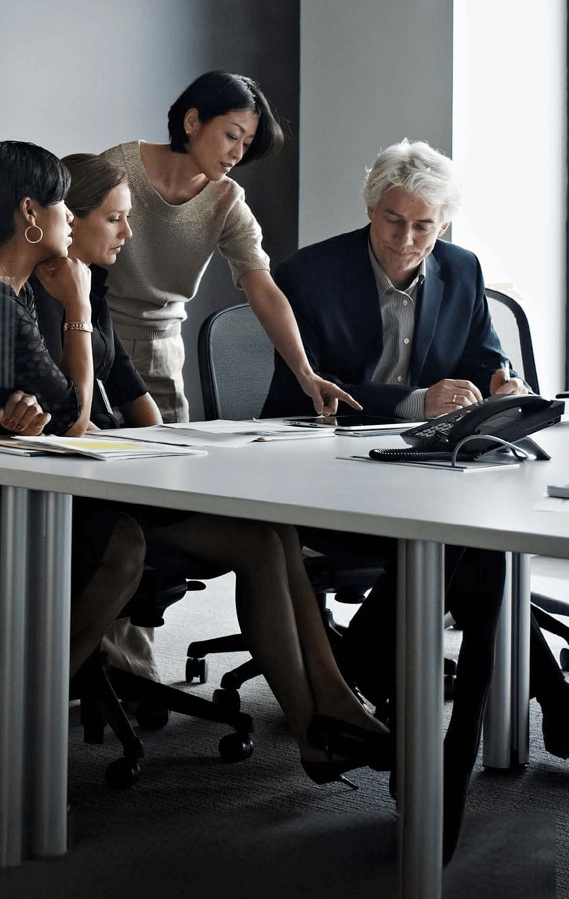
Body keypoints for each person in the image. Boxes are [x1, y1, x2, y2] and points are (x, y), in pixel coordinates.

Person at [262, 138, 569, 857]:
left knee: (475, 551)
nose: (407, 239)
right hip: (330, 472)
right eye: (393, 221)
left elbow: (486, 356)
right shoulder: (310, 273)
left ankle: (405, 701)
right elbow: (293, 399)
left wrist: (503, 386)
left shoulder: (461, 269)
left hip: (430, 471)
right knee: (478, 556)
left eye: (424, 225)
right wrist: (410, 399)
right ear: (371, 209)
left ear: (445, 224)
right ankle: (546, 720)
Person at [29, 151, 393, 785]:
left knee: (272, 531)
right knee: (258, 540)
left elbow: (123, 377)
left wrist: (172, 445)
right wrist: (77, 312)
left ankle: (327, 708)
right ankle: (318, 724)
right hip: (79, 498)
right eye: (115, 219)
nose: (128, 232)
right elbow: (75, 418)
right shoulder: (44, 295)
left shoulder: (95, 279)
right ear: (70, 218)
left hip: (122, 474)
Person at [0, 140, 148, 796]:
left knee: (121, 536)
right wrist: (76, 308)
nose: (70, 217)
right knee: (120, 543)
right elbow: (74, 414)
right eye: (61, 204)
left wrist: (17, 415)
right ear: (29, 216)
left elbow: (41, 407)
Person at [100, 70, 359, 422]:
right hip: (94, 337)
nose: (237, 153)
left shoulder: (226, 201)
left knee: (165, 465)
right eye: (231, 136)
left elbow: (263, 288)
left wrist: (305, 371)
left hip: (162, 352)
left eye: (246, 144)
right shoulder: (117, 168)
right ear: (193, 121)